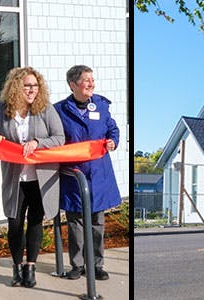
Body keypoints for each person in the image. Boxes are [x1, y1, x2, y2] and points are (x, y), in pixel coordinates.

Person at [0, 67, 64, 288]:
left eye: (35, 86)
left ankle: (30, 267)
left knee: (36, 222)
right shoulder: (1, 109)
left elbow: (60, 138)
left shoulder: (45, 109)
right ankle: (16, 267)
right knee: (14, 223)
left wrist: (38, 142)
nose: (31, 90)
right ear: (16, 87)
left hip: (41, 177)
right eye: (27, 85)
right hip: (14, 177)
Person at [54, 65, 120, 281]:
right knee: (75, 223)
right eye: (86, 80)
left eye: (92, 79)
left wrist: (113, 141)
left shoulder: (100, 105)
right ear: (73, 85)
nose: (91, 83)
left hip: (98, 174)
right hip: (74, 174)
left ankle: (97, 265)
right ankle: (77, 265)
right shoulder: (59, 110)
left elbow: (112, 128)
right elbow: (55, 137)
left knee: (97, 223)